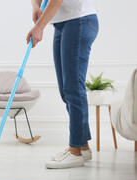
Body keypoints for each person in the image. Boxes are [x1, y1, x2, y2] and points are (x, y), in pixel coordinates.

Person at [27, 0, 98, 169]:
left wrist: (39, 27)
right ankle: (83, 146)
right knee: (66, 91)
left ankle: (75, 151)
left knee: (73, 88)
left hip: (80, 21)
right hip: (62, 24)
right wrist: (35, 6)